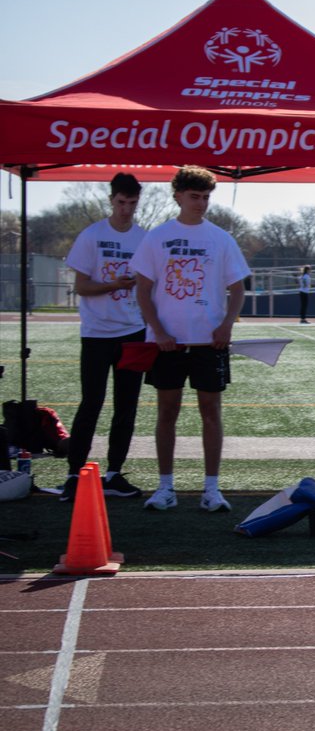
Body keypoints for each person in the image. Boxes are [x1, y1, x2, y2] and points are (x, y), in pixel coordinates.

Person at [131, 166, 250, 513]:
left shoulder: (221, 238)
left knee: (210, 412)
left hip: (208, 344)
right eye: (194, 196)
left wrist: (227, 324)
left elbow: (238, 287)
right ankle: (165, 487)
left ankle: (211, 489)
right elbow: (143, 289)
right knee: (166, 412)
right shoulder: (156, 237)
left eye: (205, 197)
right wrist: (159, 330)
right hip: (167, 344)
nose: (201, 203)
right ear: (178, 196)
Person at [59, 173, 147, 503]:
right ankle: (73, 474)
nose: (126, 210)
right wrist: (115, 285)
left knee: (126, 408)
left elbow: (151, 287)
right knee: (91, 404)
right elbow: (81, 286)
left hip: (133, 332)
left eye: (132, 203)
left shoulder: (144, 239)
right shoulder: (92, 236)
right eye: (121, 203)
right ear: (111, 200)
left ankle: (114, 473)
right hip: (96, 334)